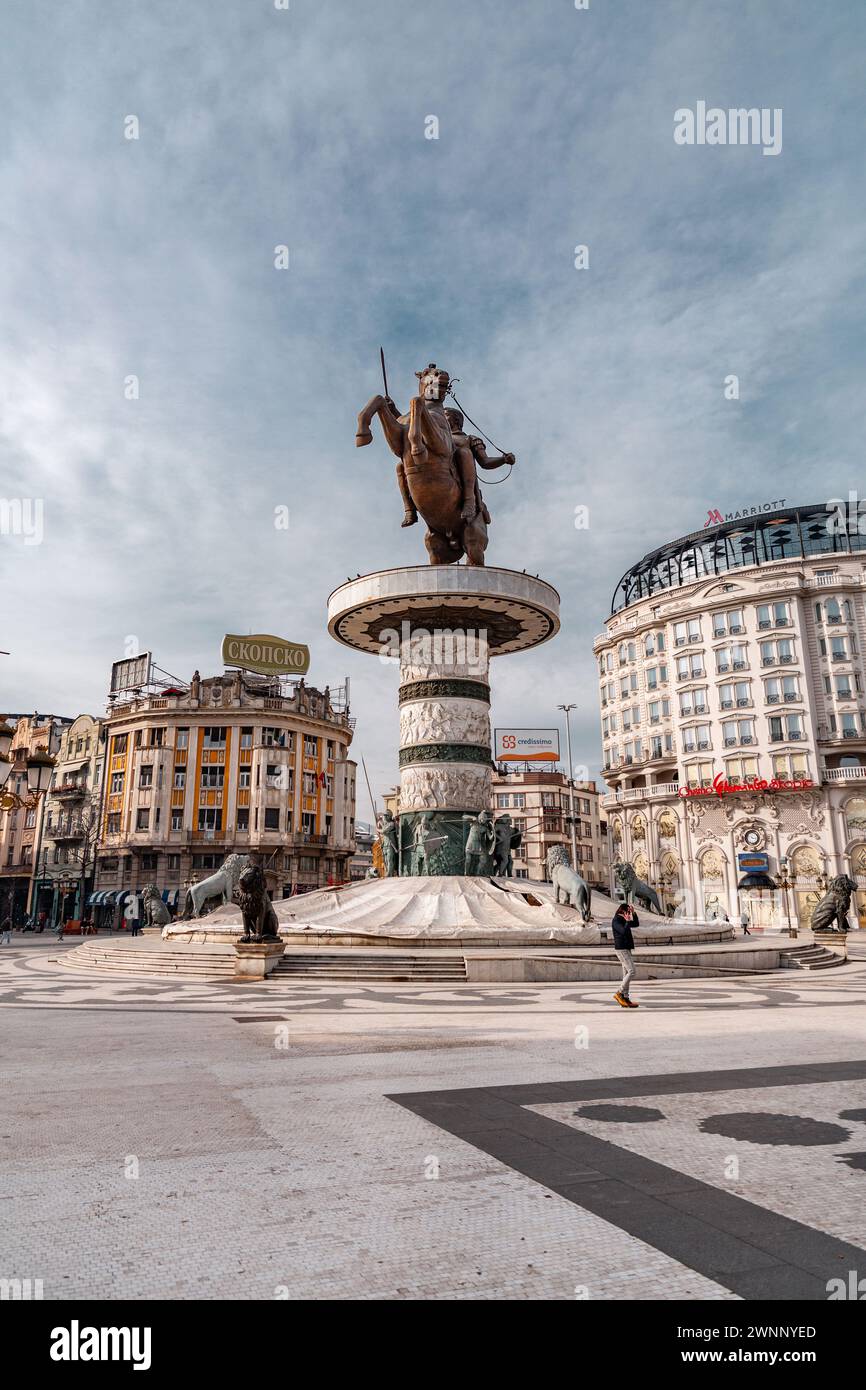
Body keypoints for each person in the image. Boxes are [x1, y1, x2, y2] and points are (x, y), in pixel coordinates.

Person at [612, 901, 639, 1008]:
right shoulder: (616, 920)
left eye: (629, 911)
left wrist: (634, 913)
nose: (628, 913)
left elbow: (636, 924)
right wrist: (627, 921)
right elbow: (623, 931)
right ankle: (619, 993)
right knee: (632, 971)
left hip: (626, 948)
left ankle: (625, 998)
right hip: (621, 949)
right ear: (622, 911)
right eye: (627, 911)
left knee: (626, 974)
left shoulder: (623, 919)